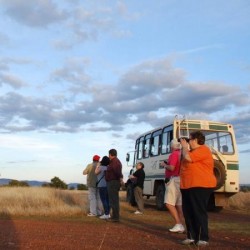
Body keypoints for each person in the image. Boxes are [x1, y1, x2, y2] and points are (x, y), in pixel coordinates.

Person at [180, 131, 216, 247]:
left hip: (200, 185)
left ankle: (203, 238)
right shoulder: (190, 151)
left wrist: (185, 147)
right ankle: (191, 236)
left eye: (189, 139)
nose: (188, 142)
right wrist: (185, 148)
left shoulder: (203, 150)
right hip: (187, 185)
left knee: (198, 211)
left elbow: (188, 158)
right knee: (188, 212)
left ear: (195, 140)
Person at [161, 139, 184, 233]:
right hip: (180, 179)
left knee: (169, 203)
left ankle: (178, 224)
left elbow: (172, 167)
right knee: (179, 204)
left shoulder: (174, 154)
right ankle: (181, 225)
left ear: (172, 146)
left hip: (173, 180)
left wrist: (164, 165)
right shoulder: (181, 154)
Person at [105, 149, 123, 222]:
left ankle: (115, 217)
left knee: (113, 200)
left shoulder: (115, 162)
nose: (108, 156)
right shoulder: (114, 161)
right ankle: (114, 216)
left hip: (113, 182)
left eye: (109, 154)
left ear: (110, 154)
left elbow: (117, 172)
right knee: (113, 200)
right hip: (112, 182)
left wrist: (120, 179)